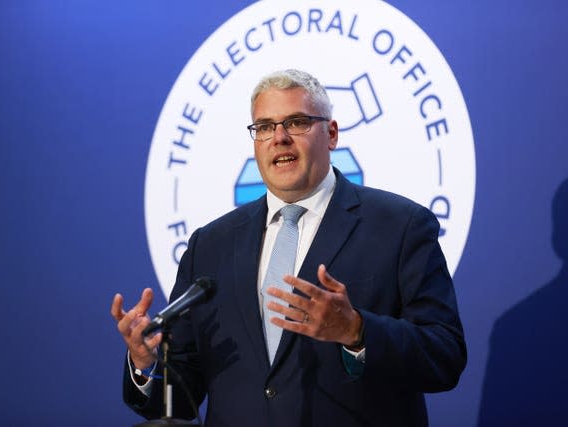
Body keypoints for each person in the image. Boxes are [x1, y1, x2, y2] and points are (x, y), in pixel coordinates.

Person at [111, 69, 466, 426]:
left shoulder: (400, 226)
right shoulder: (211, 245)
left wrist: (358, 331)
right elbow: (182, 395)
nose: (278, 138)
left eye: (296, 122)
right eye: (264, 127)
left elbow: (444, 355)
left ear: (331, 134)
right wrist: (146, 364)